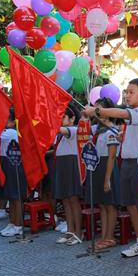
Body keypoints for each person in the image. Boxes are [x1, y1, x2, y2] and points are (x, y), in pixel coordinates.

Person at [85, 78, 138, 260]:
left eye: (132, 92)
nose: (127, 95)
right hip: (127, 163)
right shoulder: (132, 113)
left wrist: (97, 110)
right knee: (130, 205)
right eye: (126, 92)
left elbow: (121, 114)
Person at [85, 97, 120, 251]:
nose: (97, 112)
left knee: (110, 205)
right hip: (98, 167)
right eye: (95, 108)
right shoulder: (97, 130)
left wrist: (107, 179)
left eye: (100, 109)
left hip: (109, 168)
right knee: (102, 204)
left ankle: (110, 237)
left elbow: (112, 156)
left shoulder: (112, 129)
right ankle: (104, 235)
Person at [54, 104, 84, 245]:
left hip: (71, 165)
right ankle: (70, 231)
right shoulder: (61, 134)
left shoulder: (74, 130)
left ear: (72, 118)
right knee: (66, 200)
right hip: (62, 164)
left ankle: (78, 232)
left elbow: (57, 129)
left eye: (63, 117)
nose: (60, 119)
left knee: (73, 200)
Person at [0, 111, 28, 237]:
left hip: (14, 165)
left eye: (5, 120)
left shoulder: (11, 132)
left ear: (11, 121)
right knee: (11, 196)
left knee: (16, 197)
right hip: (7, 164)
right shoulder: (8, 132)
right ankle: (12, 222)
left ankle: (18, 225)